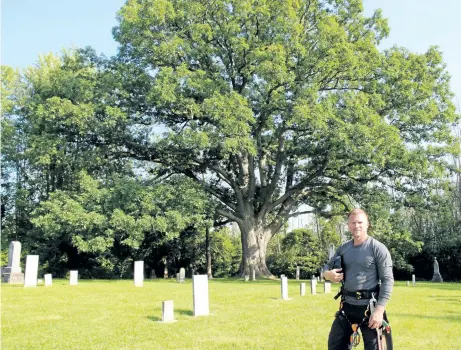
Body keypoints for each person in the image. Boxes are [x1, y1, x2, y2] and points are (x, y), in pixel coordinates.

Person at [323, 208, 394, 350]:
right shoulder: (343, 249)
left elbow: (387, 280)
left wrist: (379, 311)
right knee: (334, 346)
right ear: (348, 225)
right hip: (347, 307)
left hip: (370, 309)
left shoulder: (378, 248)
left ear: (367, 224)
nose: (357, 226)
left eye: (360, 222)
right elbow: (325, 268)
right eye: (353, 223)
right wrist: (327, 275)